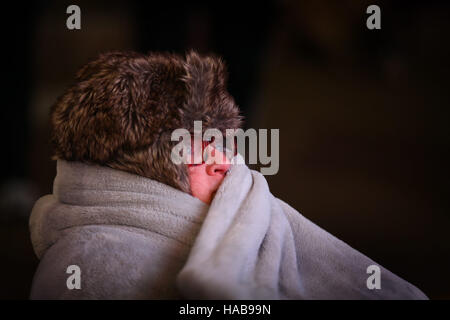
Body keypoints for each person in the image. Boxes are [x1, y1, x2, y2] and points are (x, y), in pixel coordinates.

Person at [29, 50, 427, 299]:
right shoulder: (89, 268)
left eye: (223, 143)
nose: (227, 162)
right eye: (198, 150)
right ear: (143, 169)